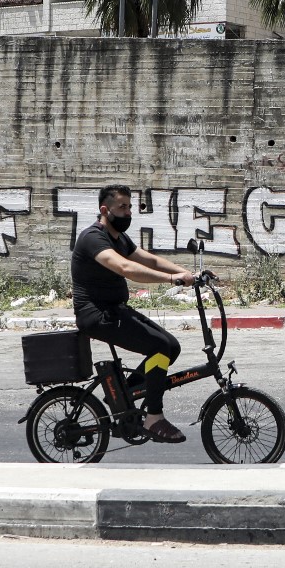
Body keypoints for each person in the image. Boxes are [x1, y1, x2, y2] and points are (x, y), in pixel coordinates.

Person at [71, 184, 196, 444]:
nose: (128, 213)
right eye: (122, 207)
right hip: (96, 315)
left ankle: (123, 396)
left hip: (114, 310)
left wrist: (188, 274)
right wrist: (172, 279)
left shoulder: (119, 237)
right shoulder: (93, 238)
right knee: (159, 346)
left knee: (171, 347)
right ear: (105, 210)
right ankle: (153, 417)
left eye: (130, 207)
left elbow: (148, 260)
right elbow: (126, 267)